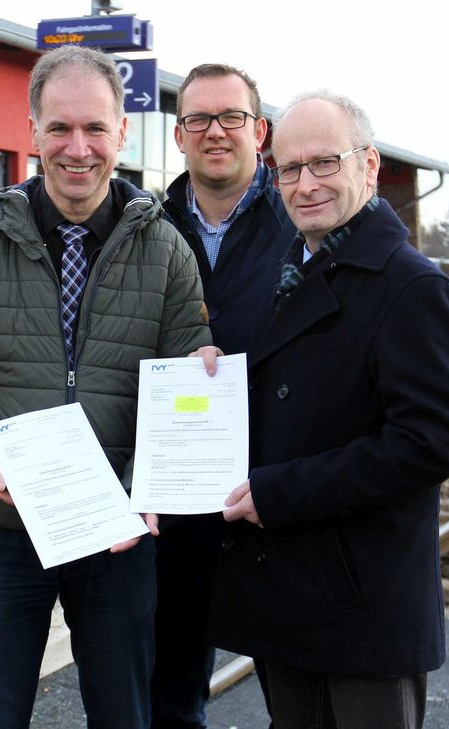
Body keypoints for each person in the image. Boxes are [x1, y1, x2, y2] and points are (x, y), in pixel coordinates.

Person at [0, 45, 211, 729]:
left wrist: (144, 487)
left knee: (123, 714)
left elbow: (183, 391)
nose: (78, 148)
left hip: (119, 531)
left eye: (95, 128)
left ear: (121, 132)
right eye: (60, 128)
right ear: (32, 131)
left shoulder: (166, 251)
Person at [210, 91, 449, 729]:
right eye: (289, 169)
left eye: (325, 163)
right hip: (287, 594)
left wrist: (283, 492)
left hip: (364, 603)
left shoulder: (413, 287)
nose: (306, 185)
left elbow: (432, 442)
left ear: (369, 164)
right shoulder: (286, 273)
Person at [153, 63, 295, 729]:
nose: (215, 132)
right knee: (171, 693)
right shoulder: (145, 226)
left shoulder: (301, 219)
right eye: (199, 119)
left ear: (258, 131)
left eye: (231, 117)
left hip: (276, 497)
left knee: (296, 693)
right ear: (178, 135)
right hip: (177, 500)